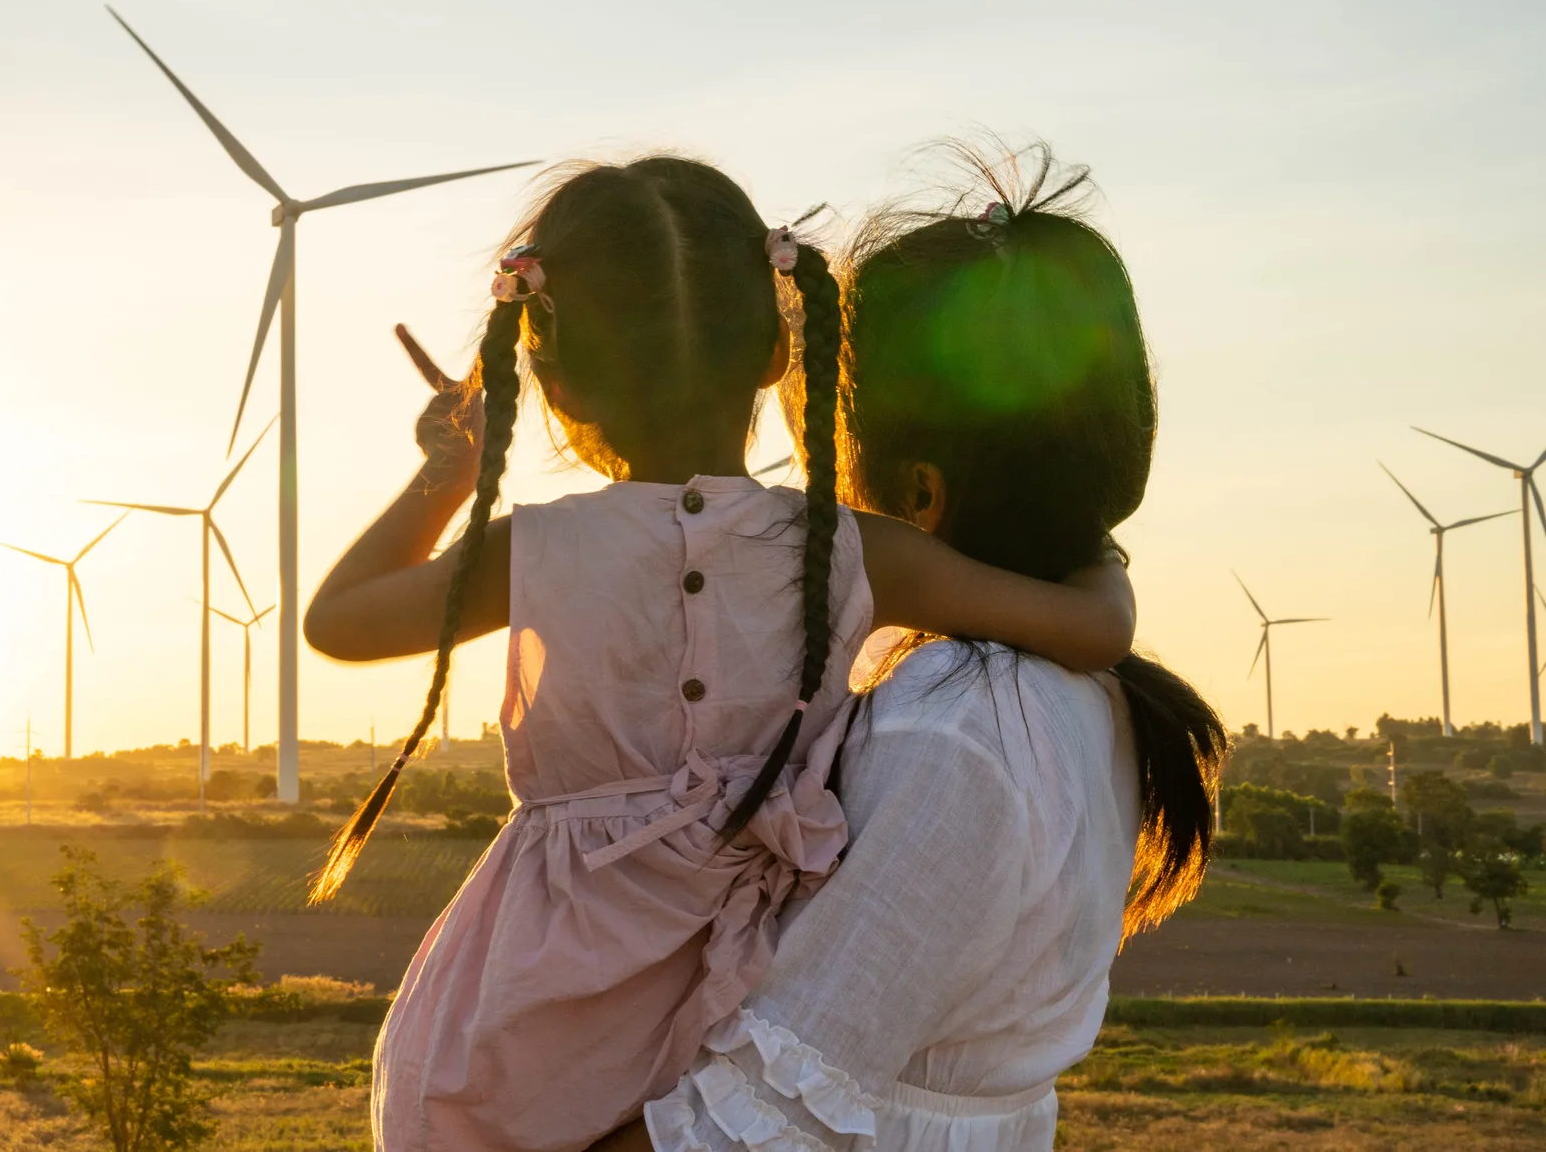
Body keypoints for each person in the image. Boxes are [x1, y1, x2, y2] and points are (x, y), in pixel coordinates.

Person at [302, 155, 1143, 1152]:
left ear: (555, 377)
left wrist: (449, 471)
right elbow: (1094, 629)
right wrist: (1098, 544)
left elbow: (339, 620)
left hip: (534, 1005)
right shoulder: (853, 550)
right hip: (721, 977)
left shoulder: (533, 549)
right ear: (775, 351)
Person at [617, 142, 1227, 1152]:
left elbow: (765, 1114)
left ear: (921, 494)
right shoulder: (1082, 689)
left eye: (836, 433)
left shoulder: (963, 729)